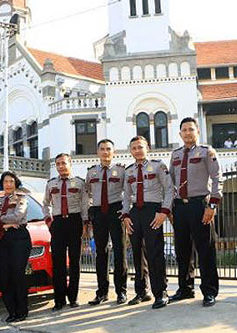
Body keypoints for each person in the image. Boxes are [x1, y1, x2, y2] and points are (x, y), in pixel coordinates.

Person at [168, 117, 223, 307]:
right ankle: (185, 289)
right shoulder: (175, 155)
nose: (187, 133)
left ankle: (209, 291)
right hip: (180, 208)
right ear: (180, 133)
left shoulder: (207, 152)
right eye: (184, 130)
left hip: (200, 205)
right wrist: (169, 208)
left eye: (191, 129)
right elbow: (170, 185)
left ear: (197, 131)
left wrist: (212, 206)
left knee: (205, 250)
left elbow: (217, 179)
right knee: (182, 251)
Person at [121, 136, 174, 309]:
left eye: (140, 147)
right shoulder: (128, 171)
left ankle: (161, 292)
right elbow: (126, 196)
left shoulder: (158, 166)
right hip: (135, 213)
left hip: (153, 211)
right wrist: (126, 215)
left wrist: (164, 211)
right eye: (134, 148)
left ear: (147, 148)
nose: (137, 150)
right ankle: (141, 291)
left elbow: (169, 189)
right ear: (130, 151)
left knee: (155, 252)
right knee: (137, 253)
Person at [42, 153, 89, 311]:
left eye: (63, 163)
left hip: (74, 221)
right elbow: (45, 204)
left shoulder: (79, 183)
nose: (61, 166)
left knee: (75, 262)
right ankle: (59, 300)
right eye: (58, 164)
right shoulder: (51, 184)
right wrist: (48, 220)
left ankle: (73, 298)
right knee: (58, 263)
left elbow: (84, 204)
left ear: (70, 163)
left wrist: (84, 224)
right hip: (58, 223)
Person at [85, 139, 128, 305]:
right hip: (98, 213)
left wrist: (125, 212)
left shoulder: (121, 170)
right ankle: (102, 292)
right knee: (100, 253)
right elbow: (87, 193)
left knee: (120, 252)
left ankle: (121, 292)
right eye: (102, 149)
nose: (105, 152)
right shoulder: (91, 172)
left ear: (113, 152)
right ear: (98, 152)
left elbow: (128, 191)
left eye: (108, 149)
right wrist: (89, 212)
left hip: (116, 211)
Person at [0, 171, 31, 322]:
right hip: (3, 239)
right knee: (5, 275)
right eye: (5, 181)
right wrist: (4, 224)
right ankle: (11, 311)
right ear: (2, 183)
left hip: (19, 238)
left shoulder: (22, 199)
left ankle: (22, 311)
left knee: (17, 275)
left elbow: (18, 216)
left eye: (11, 181)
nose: (8, 184)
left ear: (15, 183)